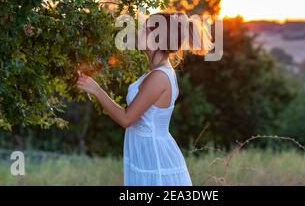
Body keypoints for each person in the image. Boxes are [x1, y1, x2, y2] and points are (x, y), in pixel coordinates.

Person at [76, 11, 213, 185]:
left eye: (144, 30)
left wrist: (95, 89)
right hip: (147, 156)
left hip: (156, 161)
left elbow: (127, 119)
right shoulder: (155, 72)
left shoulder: (159, 77)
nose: (138, 32)